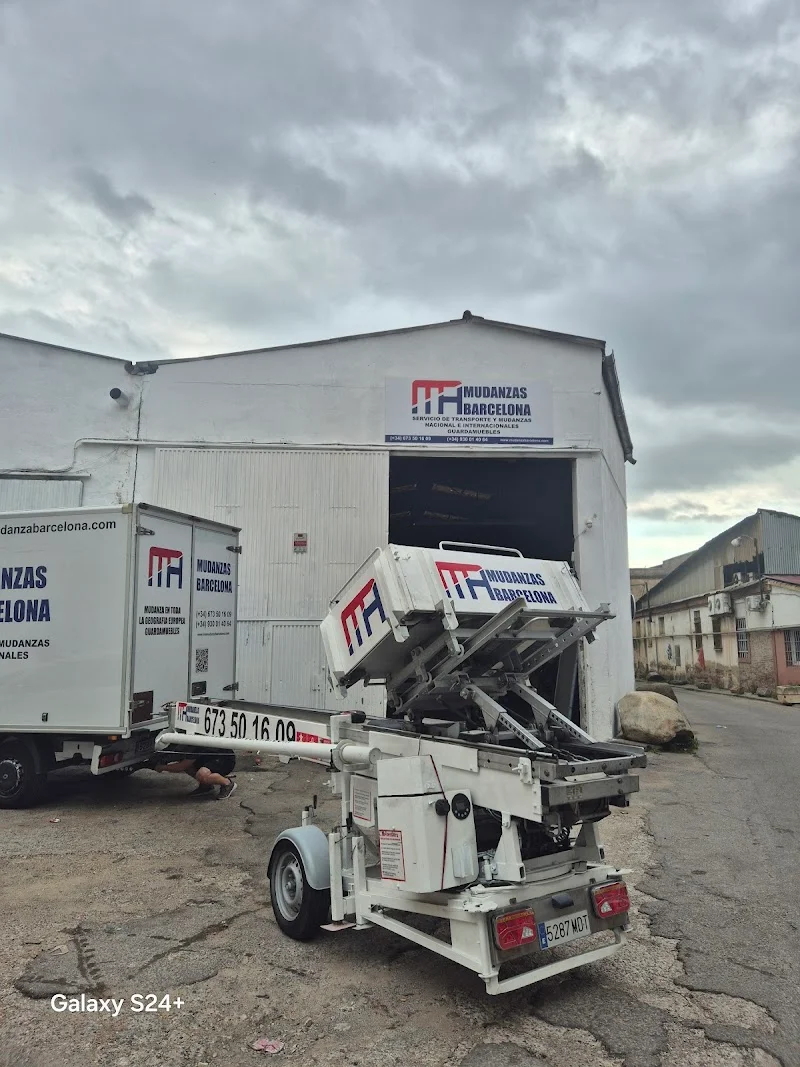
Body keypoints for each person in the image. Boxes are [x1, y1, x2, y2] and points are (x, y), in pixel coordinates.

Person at [155, 745, 237, 799]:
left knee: (202, 775)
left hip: (224, 759)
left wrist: (162, 767)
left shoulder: (192, 745)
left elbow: (182, 766)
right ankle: (206, 787)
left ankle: (227, 783)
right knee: (188, 765)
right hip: (208, 758)